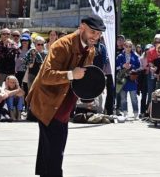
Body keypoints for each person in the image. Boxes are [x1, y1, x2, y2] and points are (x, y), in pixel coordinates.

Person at [26, 14, 102, 177]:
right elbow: (46, 75)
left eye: (99, 33)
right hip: (48, 104)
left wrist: (88, 94)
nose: (96, 36)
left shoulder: (91, 49)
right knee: (55, 153)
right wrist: (71, 74)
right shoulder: (61, 45)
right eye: (93, 32)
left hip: (64, 107)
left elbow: (84, 77)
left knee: (49, 151)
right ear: (82, 27)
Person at [115, 40, 141, 117]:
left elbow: (138, 66)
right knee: (123, 98)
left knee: (134, 98)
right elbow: (116, 67)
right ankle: (125, 112)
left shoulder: (135, 56)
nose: (128, 48)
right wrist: (123, 66)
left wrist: (132, 67)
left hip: (132, 79)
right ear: (124, 47)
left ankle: (136, 112)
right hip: (122, 79)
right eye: (127, 46)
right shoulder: (119, 56)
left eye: (130, 46)